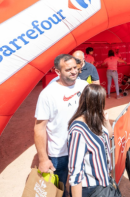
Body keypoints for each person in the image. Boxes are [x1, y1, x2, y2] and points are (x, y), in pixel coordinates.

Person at [34, 54, 89, 196]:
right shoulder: (48, 94)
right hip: (60, 153)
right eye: (68, 69)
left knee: (83, 185)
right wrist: (43, 159)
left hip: (83, 148)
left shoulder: (84, 86)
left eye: (75, 68)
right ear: (58, 72)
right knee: (60, 190)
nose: (74, 71)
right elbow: (39, 128)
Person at [67, 84, 113, 197]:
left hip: (104, 183)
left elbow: (110, 135)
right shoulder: (78, 131)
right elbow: (75, 173)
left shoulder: (95, 119)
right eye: (102, 102)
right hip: (91, 189)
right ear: (95, 104)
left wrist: (106, 121)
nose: (104, 105)